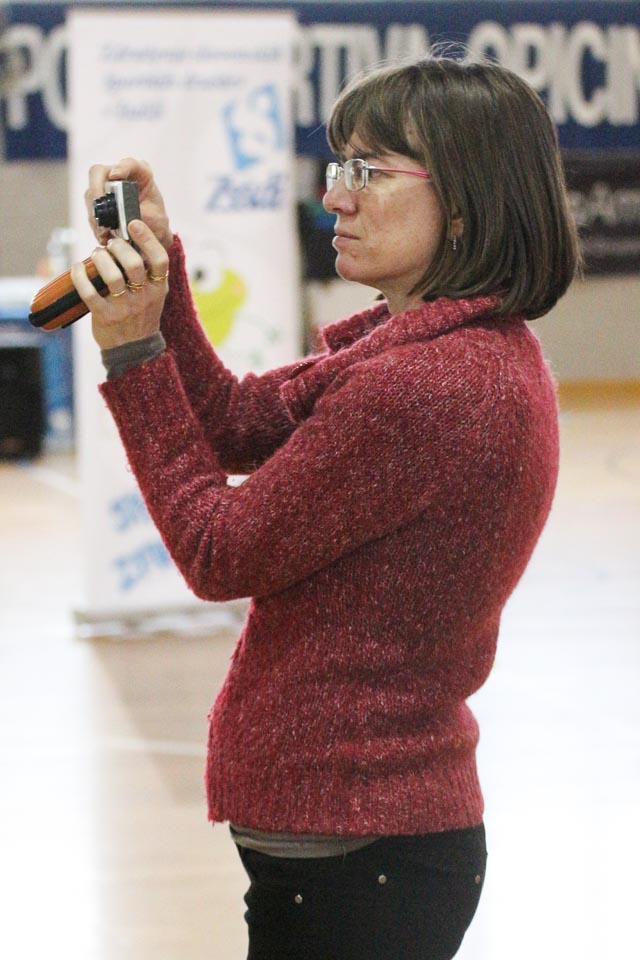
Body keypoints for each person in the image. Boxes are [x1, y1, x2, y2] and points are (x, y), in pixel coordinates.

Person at [71, 55, 581, 960]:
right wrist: (163, 276)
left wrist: (134, 353)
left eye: (368, 172)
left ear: (465, 201)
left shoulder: (428, 386)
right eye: (340, 167)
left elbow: (218, 550)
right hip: (367, 833)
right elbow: (237, 422)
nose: (335, 198)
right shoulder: (442, 349)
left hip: (357, 841)